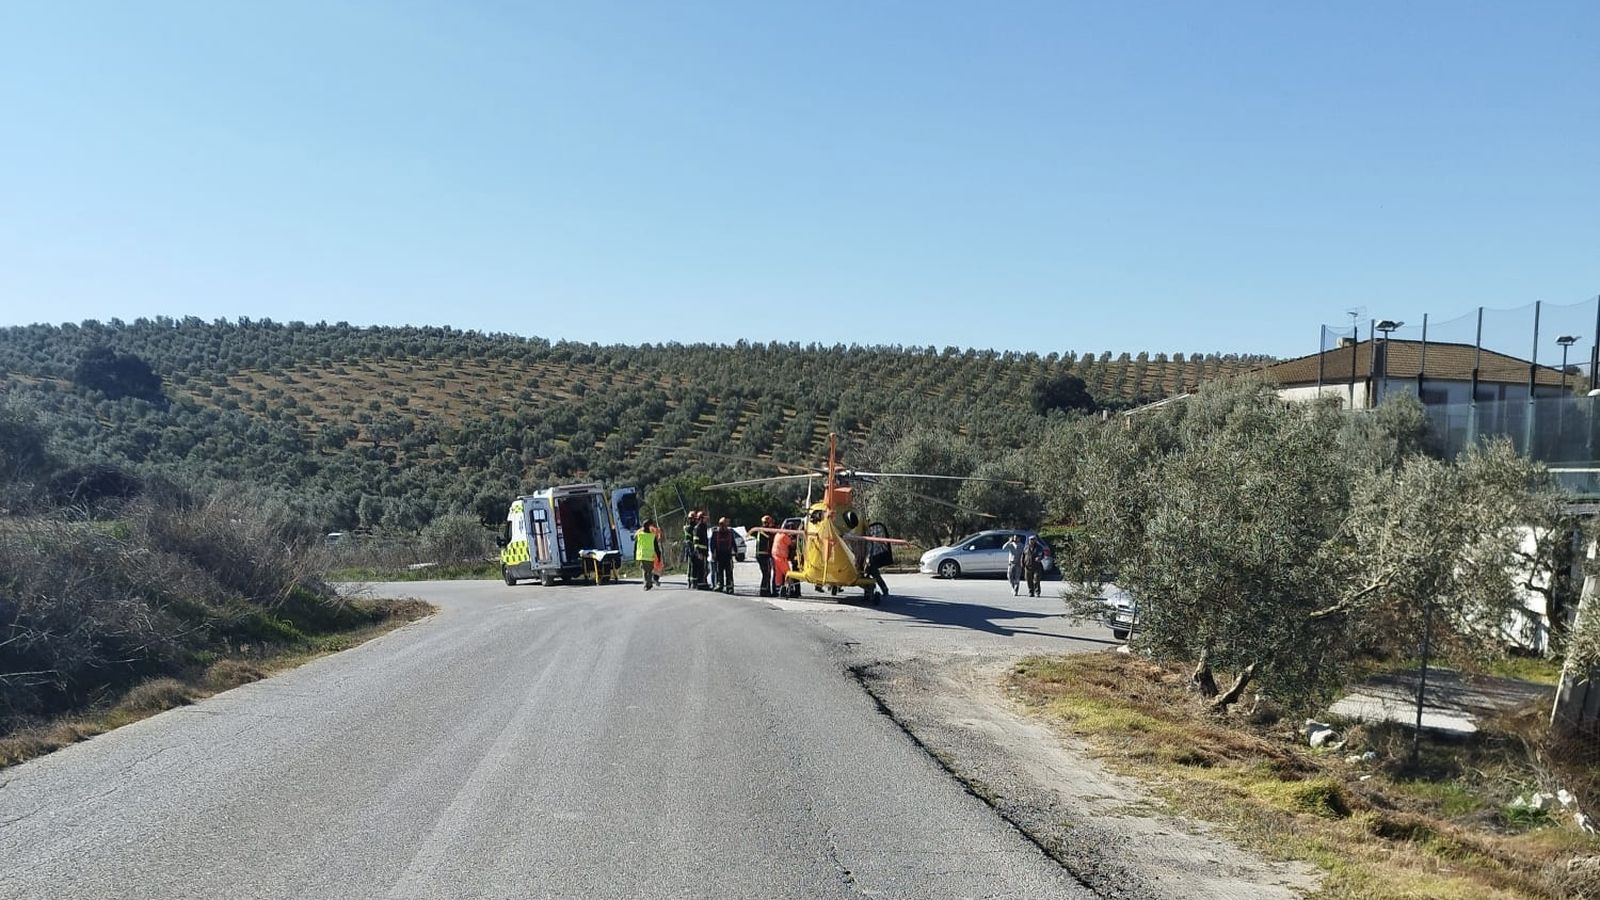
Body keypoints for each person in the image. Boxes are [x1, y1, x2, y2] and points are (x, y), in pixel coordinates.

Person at [710, 516, 737, 594]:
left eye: (724, 524)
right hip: (719, 555)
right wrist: (713, 553)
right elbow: (712, 544)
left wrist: (736, 552)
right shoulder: (716, 533)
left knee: (729, 572)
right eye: (721, 524)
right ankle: (720, 585)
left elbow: (733, 542)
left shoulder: (730, 532)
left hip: (728, 555)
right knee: (719, 572)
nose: (723, 526)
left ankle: (730, 587)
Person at [635, 519, 660, 590]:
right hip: (650, 556)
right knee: (649, 571)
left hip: (643, 556)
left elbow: (635, 546)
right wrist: (659, 556)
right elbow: (656, 547)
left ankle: (647, 584)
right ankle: (648, 584)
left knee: (645, 571)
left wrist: (635, 556)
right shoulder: (652, 536)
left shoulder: (639, 535)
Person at [755, 514, 776, 596]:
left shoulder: (762, 530)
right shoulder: (764, 531)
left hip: (762, 555)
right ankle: (764, 591)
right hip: (763, 555)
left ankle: (765, 590)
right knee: (766, 573)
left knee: (766, 573)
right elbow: (770, 538)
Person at [691, 510, 711, 589]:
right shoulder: (697, 528)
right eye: (705, 518)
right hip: (700, 553)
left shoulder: (704, 527)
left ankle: (704, 583)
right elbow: (695, 542)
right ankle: (701, 584)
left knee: (705, 569)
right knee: (701, 569)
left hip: (704, 552)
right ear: (701, 519)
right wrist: (698, 553)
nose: (706, 520)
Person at [1023, 533, 1047, 598]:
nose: (1032, 541)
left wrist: (1039, 558)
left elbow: (1042, 555)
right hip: (1028, 566)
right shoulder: (1026, 547)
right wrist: (1023, 564)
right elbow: (1023, 556)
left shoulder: (1039, 547)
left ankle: (1037, 592)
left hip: (1036, 566)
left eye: (1033, 539)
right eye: (1030, 539)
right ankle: (1031, 592)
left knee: (1036, 579)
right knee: (1029, 580)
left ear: (1035, 540)